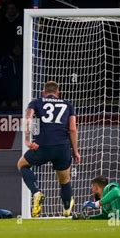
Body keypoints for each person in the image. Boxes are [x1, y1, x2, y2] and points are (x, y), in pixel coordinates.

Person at [17, 81, 80, 218]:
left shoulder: (37, 102)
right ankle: (67, 208)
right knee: (64, 179)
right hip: (62, 147)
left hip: (42, 146)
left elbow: (28, 119)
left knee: (22, 165)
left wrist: (27, 140)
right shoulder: (68, 104)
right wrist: (75, 151)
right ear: (58, 93)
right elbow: (72, 128)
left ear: (43, 93)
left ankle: (36, 192)